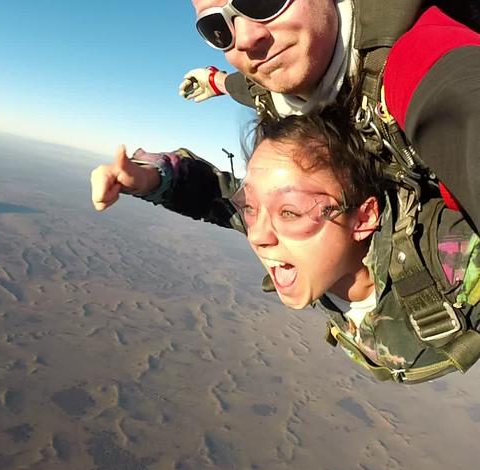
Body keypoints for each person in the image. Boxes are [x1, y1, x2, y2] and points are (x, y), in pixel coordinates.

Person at [91, 104, 480, 383]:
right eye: (251, 208)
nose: (259, 235)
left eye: (289, 212)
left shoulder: (449, 255)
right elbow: (212, 192)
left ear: (363, 218)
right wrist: (149, 177)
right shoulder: (296, 237)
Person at [176, 0, 480, 230]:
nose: (244, 39)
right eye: (217, 28)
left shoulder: (421, 60)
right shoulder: (281, 77)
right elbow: (253, 87)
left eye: (261, 1)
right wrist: (215, 81)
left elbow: (459, 94)